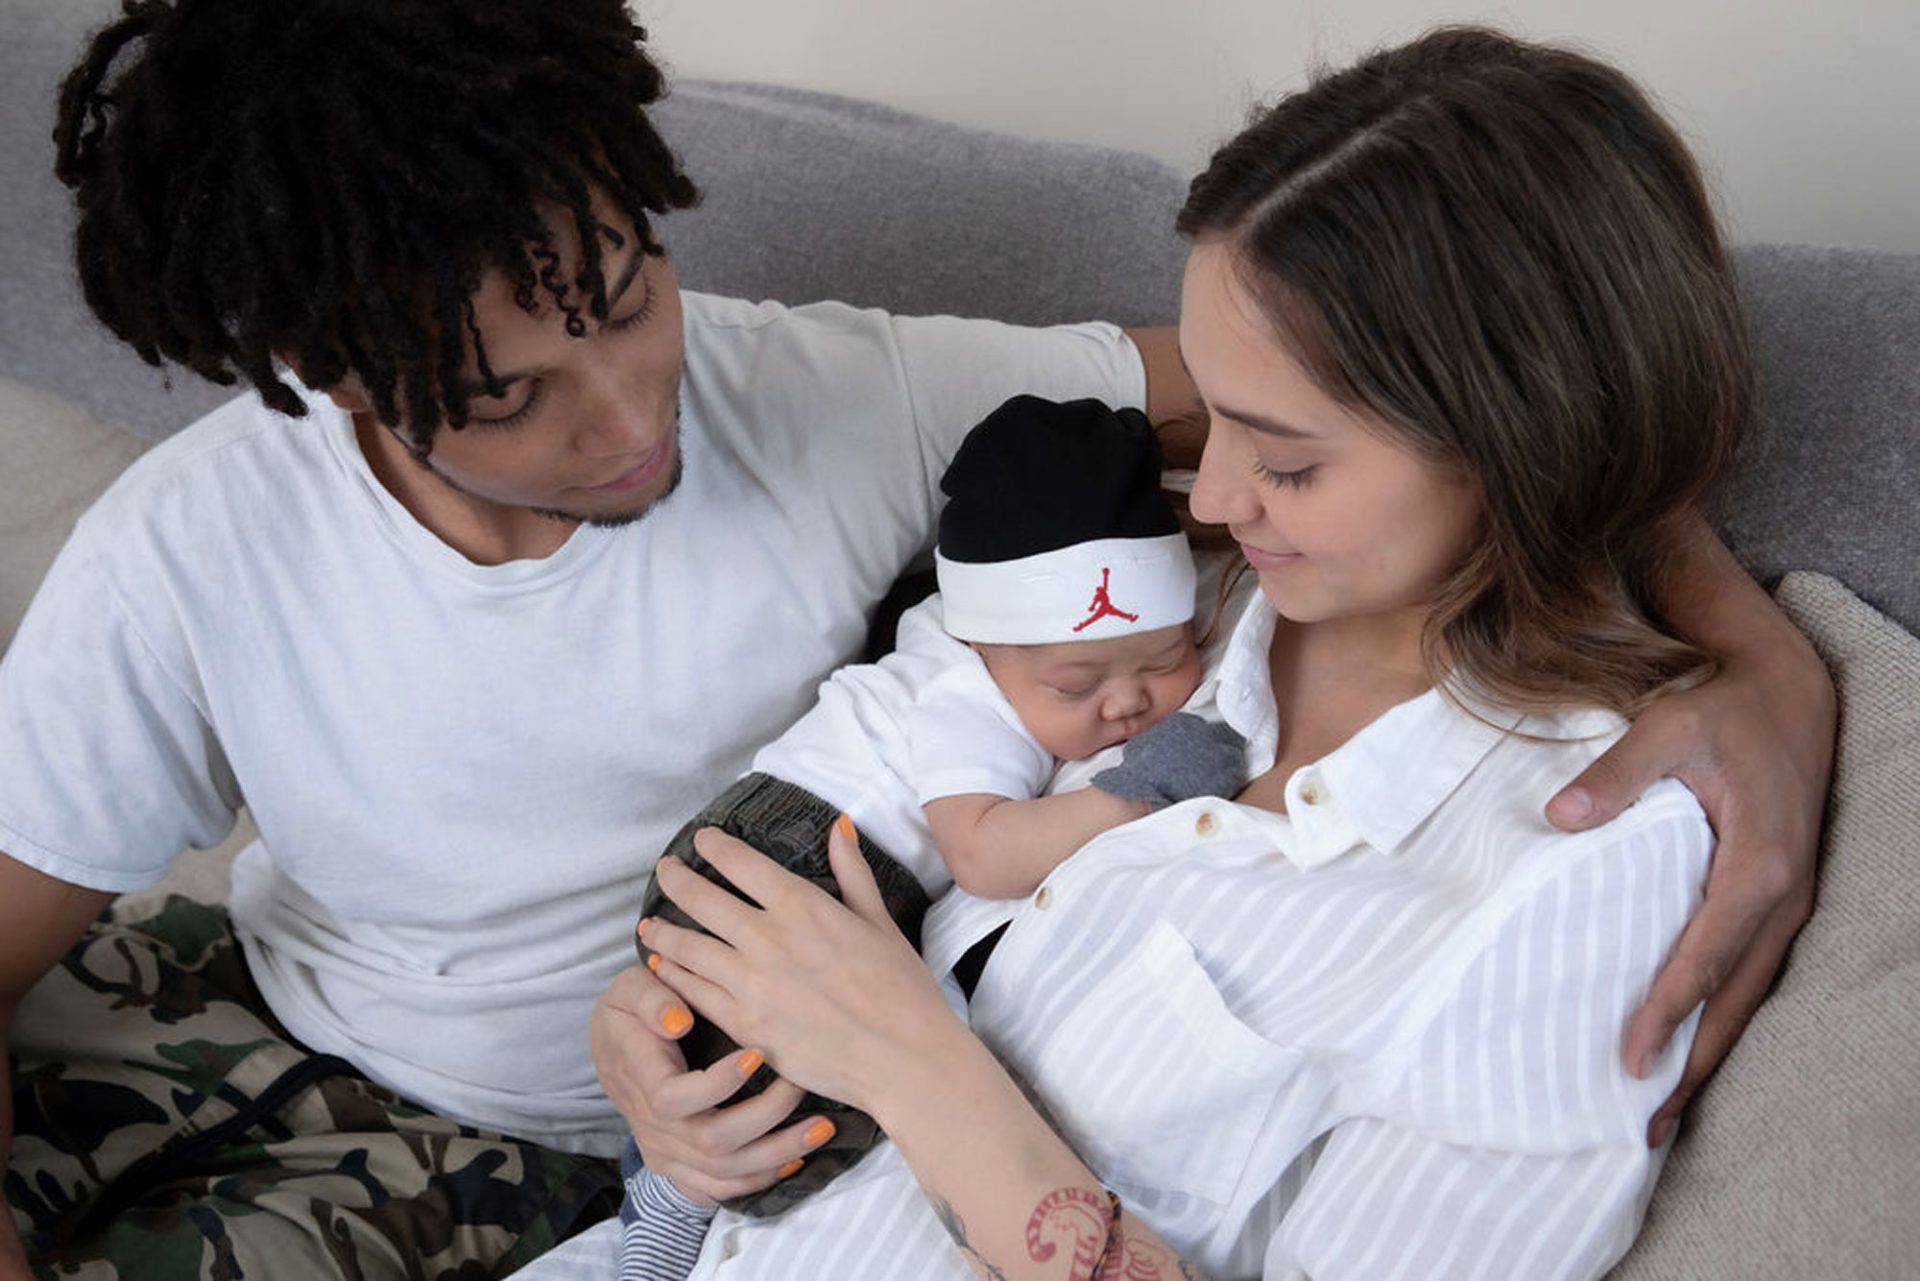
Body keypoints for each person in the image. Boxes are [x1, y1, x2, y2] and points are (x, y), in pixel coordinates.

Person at [0, 1, 1823, 1277]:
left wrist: (1747, 643)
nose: (638, 413)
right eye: (511, 393)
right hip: (271, 989)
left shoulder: (854, 397)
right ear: (335, 384)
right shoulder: (195, 541)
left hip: (549, 1154)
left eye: (632, 298)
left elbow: (1449, 396)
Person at [567, 26, 1824, 1281]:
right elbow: (861, 774)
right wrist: (672, 1019)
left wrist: (903, 1055)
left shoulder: (1575, 874)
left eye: (1287, 459)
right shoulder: (1175, 587)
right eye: (1209, 414)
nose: (1213, 494)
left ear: (1528, 442)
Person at [621, 394, 1246, 1234]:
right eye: (1076, 685)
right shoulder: (962, 693)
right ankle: (670, 1209)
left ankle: (671, 1194)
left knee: (750, 1097)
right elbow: (985, 852)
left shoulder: (1015, 638)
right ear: (986, 651)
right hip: (792, 857)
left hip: (768, 850)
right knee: (795, 1124)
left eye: (1165, 658)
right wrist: (1132, 793)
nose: (1128, 702)